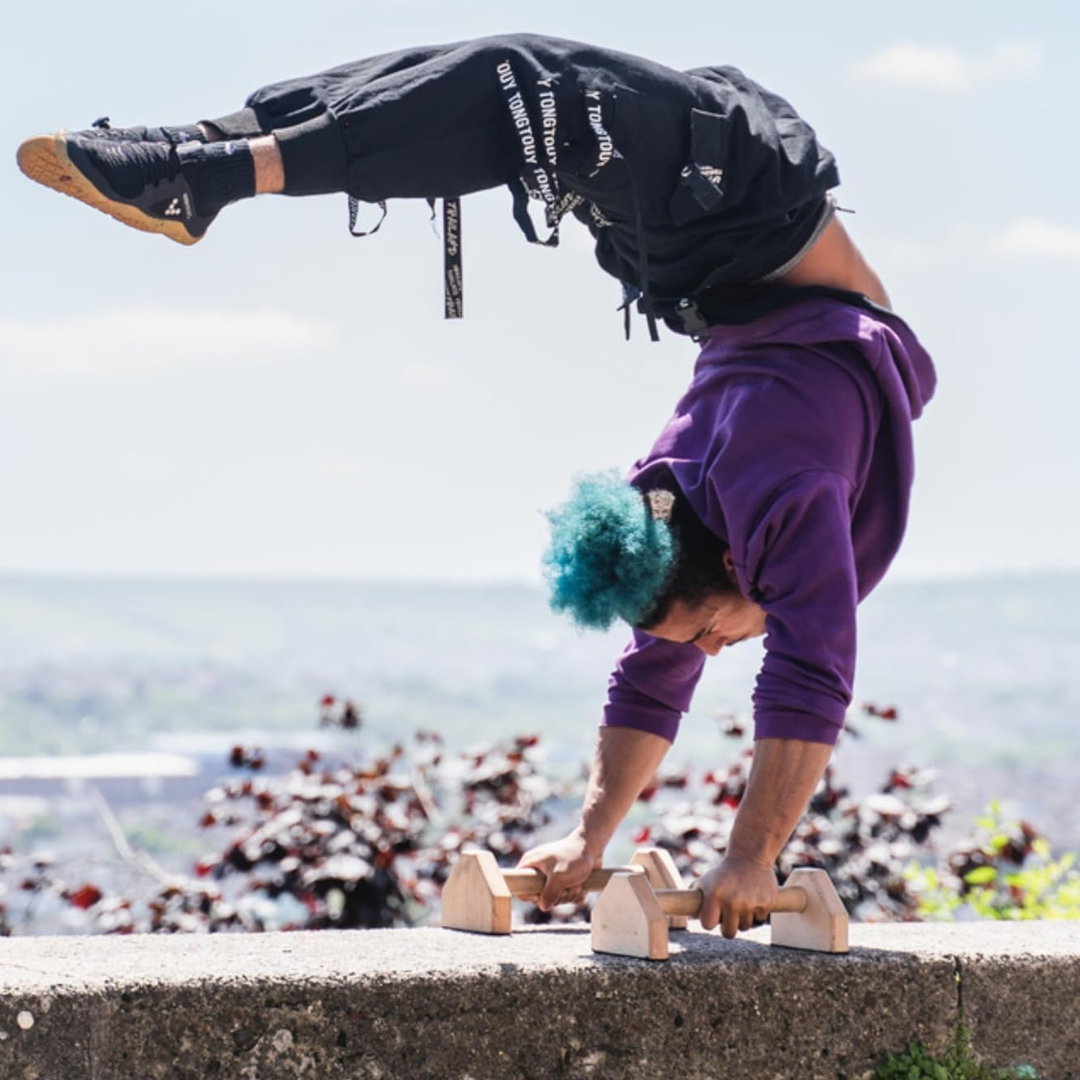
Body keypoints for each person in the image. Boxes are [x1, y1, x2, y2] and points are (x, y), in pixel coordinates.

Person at [17, 32, 936, 938]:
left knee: (507, 94)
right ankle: (199, 161)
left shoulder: (674, 511)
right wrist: (710, 851)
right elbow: (806, 673)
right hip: (749, 214)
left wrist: (671, 846)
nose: (712, 647)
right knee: (510, 86)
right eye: (705, 632)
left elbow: (659, 666)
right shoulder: (779, 502)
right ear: (737, 558)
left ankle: (203, 167)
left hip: (708, 265)